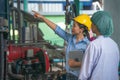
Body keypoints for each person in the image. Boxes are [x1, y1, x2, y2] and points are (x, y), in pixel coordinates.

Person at [32, 10, 92, 80]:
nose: (72, 28)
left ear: (81, 30)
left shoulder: (88, 45)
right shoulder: (70, 38)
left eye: (74, 26)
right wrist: (42, 18)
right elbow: (57, 29)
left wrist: (76, 64)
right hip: (68, 75)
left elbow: (90, 64)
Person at [78, 11, 120, 80]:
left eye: (93, 23)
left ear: (98, 25)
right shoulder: (114, 45)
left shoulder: (93, 45)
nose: (91, 25)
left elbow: (84, 74)